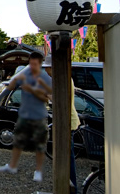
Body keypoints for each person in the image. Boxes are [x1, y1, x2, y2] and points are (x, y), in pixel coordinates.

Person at [0, 52, 52, 182]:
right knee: (18, 141)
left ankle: (38, 170)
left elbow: (49, 99)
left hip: (39, 115)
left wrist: (32, 90)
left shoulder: (45, 78)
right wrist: (13, 81)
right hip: (24, 114)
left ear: (40, 64)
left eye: (35, 64)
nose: (32, 66)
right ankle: (12, 166)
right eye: (30, 63)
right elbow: (10, 87)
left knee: (39, 144)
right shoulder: (25, 75)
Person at [41, 56, 80, 192]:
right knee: (66, 157)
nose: (46, 71)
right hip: (67, 120)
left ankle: (71, 187)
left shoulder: (63, 79)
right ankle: (67, 185)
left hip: (68, 121)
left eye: (47, 68)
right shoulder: (62, 78)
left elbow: (59, 98)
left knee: (67, 158)